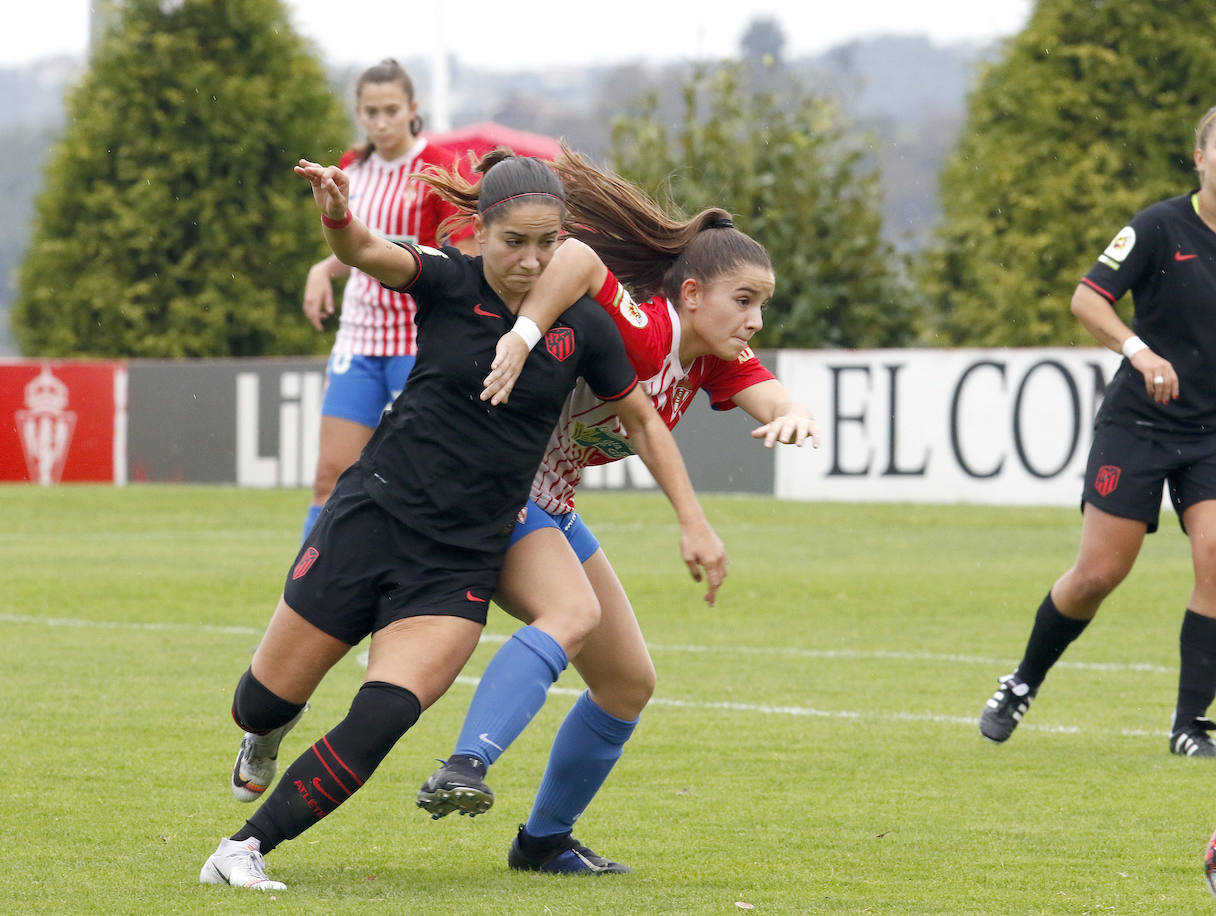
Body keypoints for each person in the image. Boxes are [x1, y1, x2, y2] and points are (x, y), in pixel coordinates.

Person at [200, 148, 726, 892]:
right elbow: (365, 251)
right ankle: (268, 731)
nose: (533, 261)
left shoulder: (583, 327)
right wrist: (336, 213)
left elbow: (642, 422)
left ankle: (242, 849)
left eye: (549, 245)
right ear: (480, 233)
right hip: (370, 521)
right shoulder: (448, 279)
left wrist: (692, 520)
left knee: (384, 715)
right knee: (260, 701)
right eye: (516, 243)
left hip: (458, 562)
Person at [412, 147, 820, 874]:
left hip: (549, 506)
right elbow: (574, 259)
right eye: (745, 299)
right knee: (570, 617)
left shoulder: (711, 360)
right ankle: (465, 765)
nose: (756, 320)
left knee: (629, 682)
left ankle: (541, 843)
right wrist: (524, 333)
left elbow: (773, 394)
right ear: (691, 294)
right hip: (495, 493)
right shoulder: (648, 329)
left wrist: (793, 415)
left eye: (764, 304)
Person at [977, 101, 1216, 758]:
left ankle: (1190, 725)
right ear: (1199, 157)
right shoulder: (1157, 226)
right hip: (1138, 425)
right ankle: (1021, 682)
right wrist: (1138, 351)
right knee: (1097, 574)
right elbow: (1087, 299)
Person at [298, 58, 476, 545]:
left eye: (391, 110)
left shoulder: (439, 167)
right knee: (329, 477)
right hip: (359, 339)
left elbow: (458, 255)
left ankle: (428, 584)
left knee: (425, 476)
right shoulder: (353, 167)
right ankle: (305, 595)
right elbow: (357, 244)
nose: (381, 121)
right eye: (371, 111)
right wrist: (323, 268)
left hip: (418, 341)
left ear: (412, 109)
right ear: (358, 112)